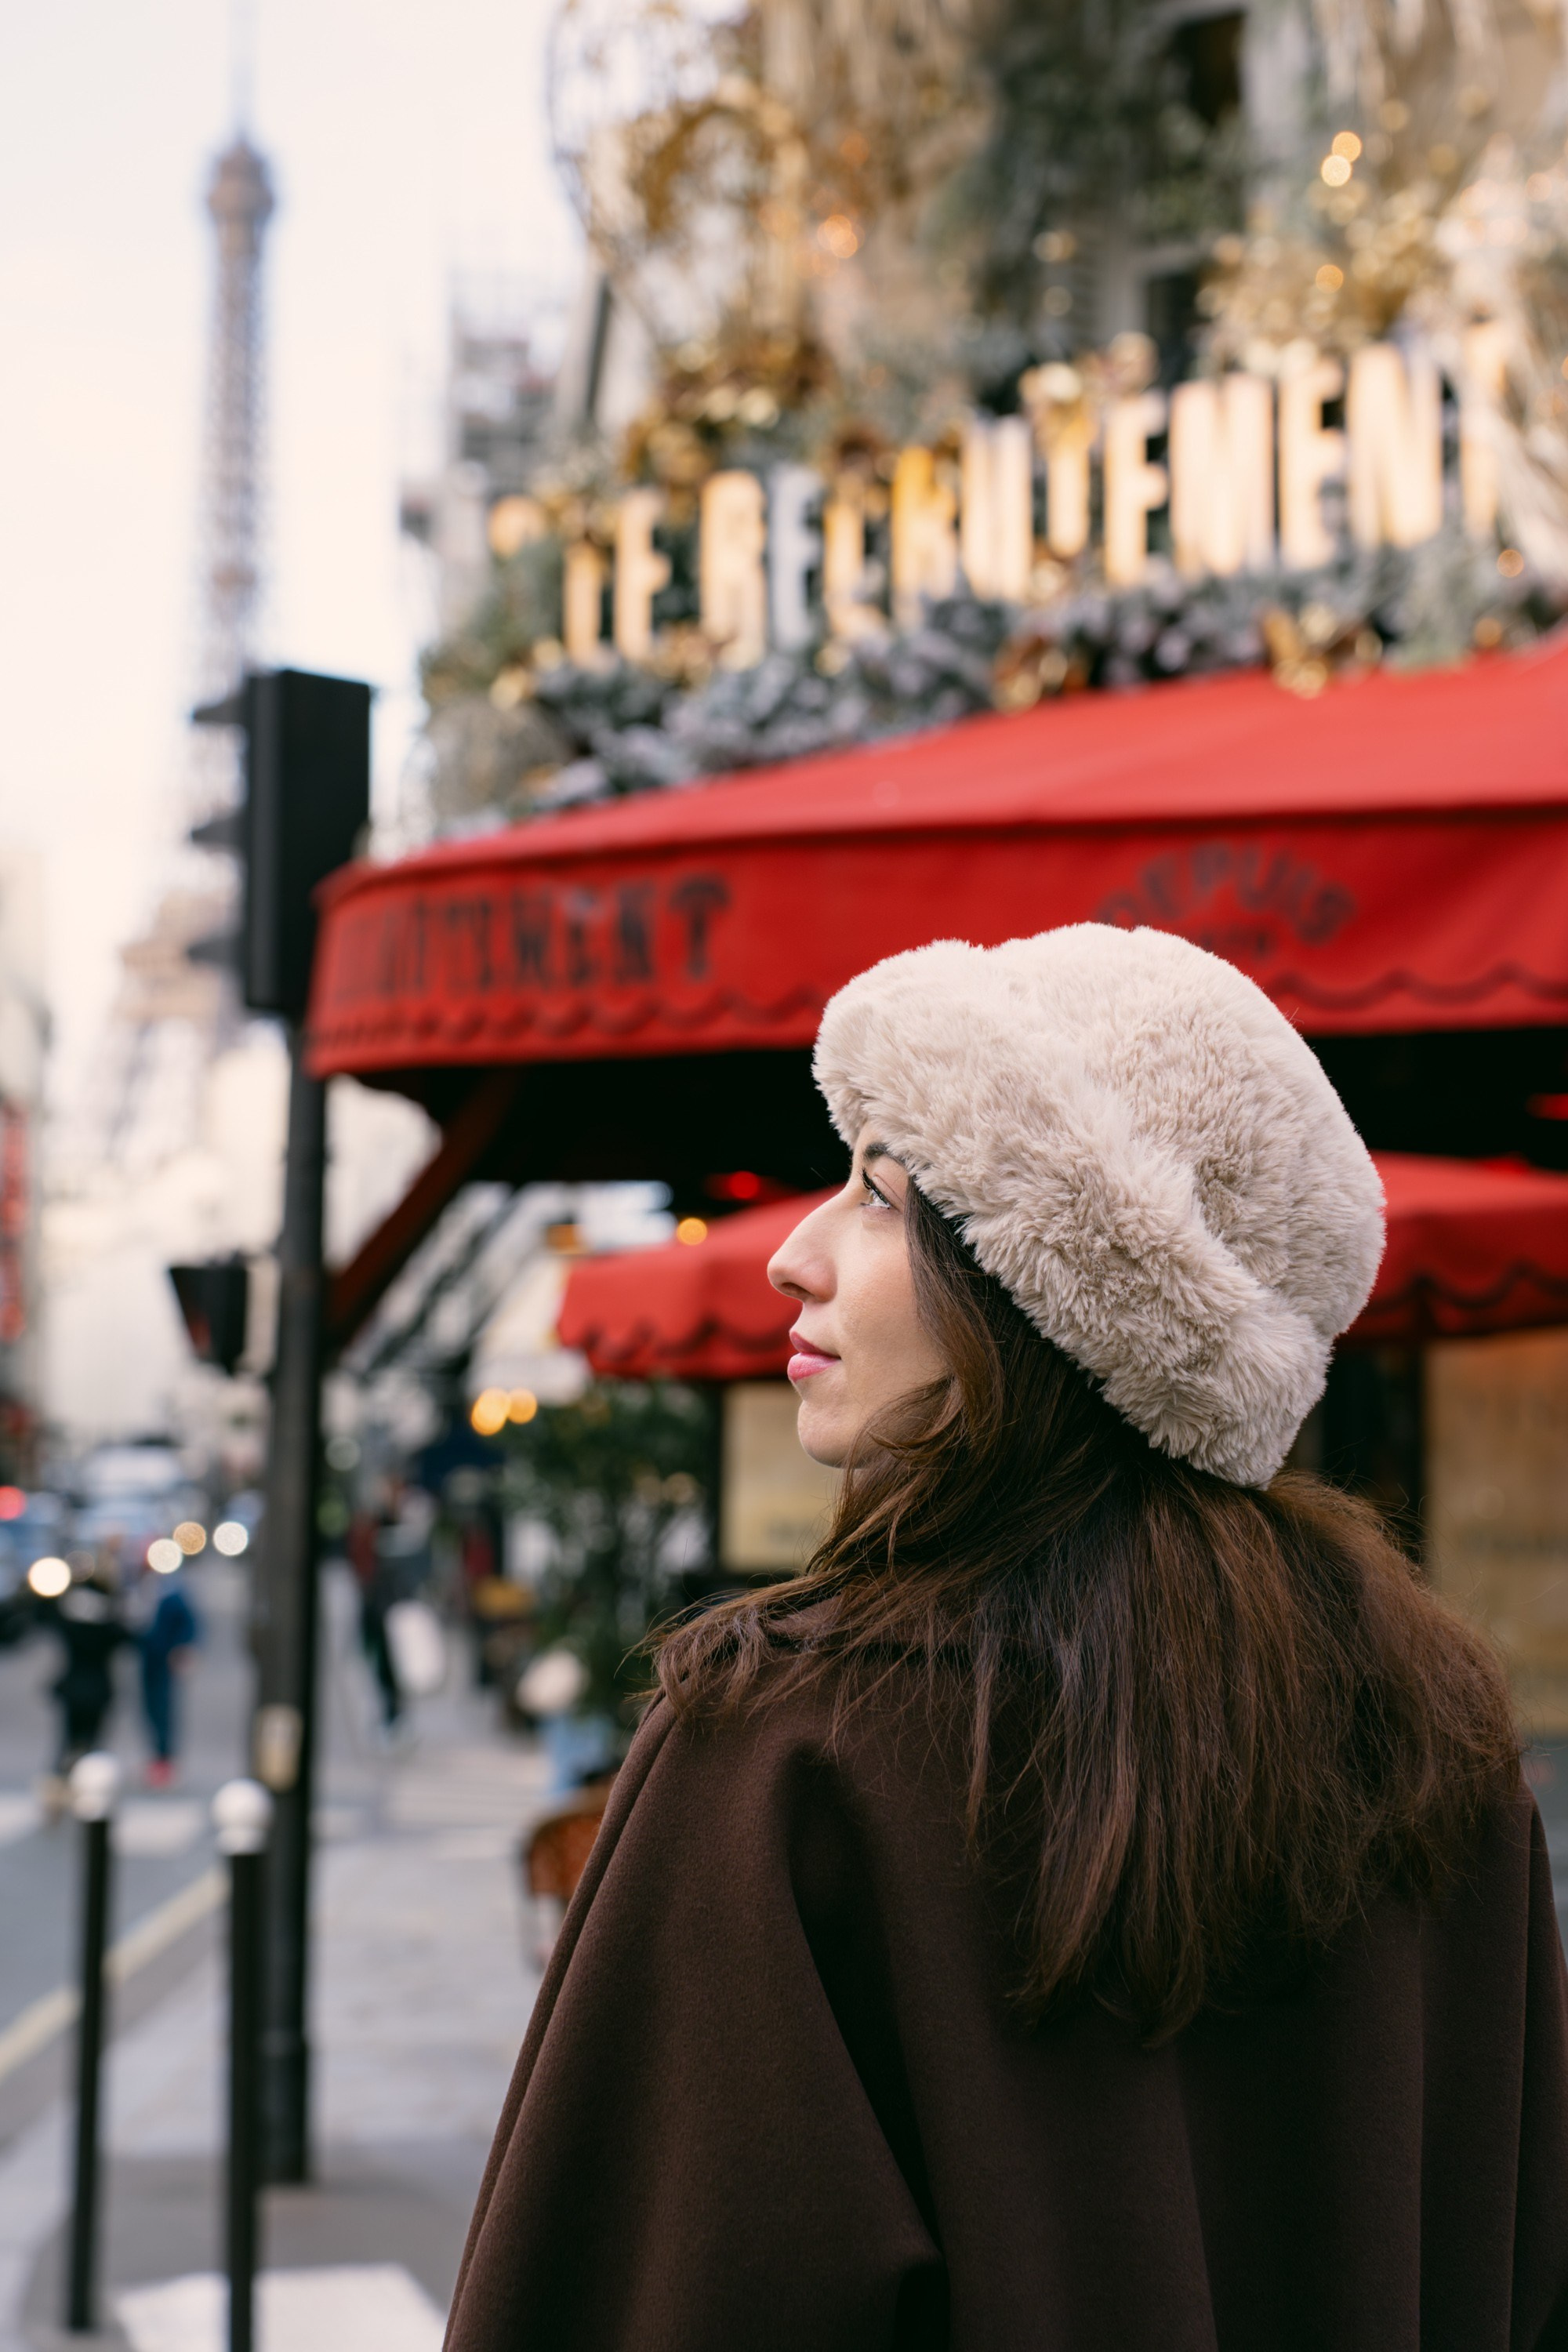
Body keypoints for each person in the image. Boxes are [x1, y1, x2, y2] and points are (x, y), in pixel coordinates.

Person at [445, 925, 1568, 2350]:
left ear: (1043, 1291)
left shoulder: (792, 1750)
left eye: (878, 1195)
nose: (795, 1255)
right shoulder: (1439, 1742)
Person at [136, 1564, 201, 1788]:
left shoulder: (173, 1594)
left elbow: (190, 1625)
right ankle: (158, 1758)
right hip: (148, 1659)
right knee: (149, 1709)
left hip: (165, 1660)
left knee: (163, 1710)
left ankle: (165, 1760)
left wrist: (184, 1649)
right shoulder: (142, 1589)